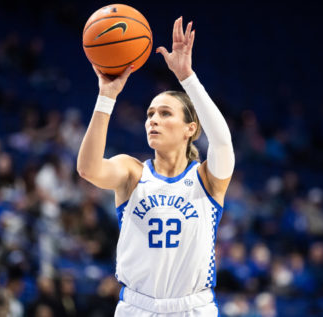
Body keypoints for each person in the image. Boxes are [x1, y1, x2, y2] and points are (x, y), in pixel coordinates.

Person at [77, 17, 234, 316]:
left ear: (190, 128)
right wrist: (106, 96)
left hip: (193, 307)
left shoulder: (207, 179)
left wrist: (187, 77)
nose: (153, 120)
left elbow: (223, 143)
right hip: (137, 306)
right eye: (150, 114)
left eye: (165, 113)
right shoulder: (132, 172)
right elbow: (87, 169)